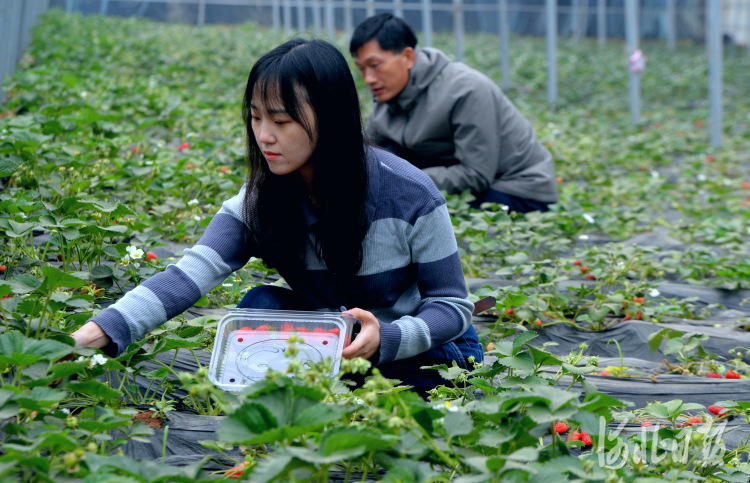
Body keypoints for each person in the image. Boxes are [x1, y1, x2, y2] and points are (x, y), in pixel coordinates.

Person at [72, 38, 482, 395]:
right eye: (255, 117)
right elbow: (188, 274)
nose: (264, 135)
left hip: (422, 349)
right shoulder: (261, 199)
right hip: (335, 345)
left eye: (281, 120)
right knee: (259, 305)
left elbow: (451, 305)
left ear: (332, 117)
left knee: (411, 390)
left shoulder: (411, 195)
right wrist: (95, 333)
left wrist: (388, 337)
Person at [351, 14, 559, 213]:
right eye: (361, 69)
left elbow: (475, 175)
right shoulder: (387, 94)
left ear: (407, 57)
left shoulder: (466, 90)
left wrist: (401, 180)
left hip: (517, 190)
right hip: (468, 179)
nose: (368, 78)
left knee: (405, 207)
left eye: (375, 65)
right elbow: (367, 156)